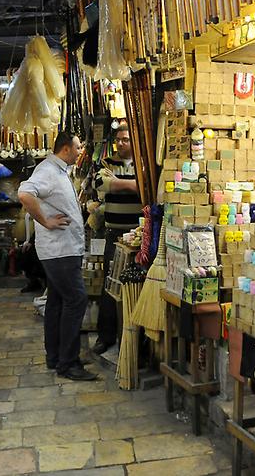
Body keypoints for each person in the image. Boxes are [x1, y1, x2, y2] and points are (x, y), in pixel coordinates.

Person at [17, 132, 96, 381]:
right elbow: (24, 193)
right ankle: (68, 364)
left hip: (63, 249)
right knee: (76, 300)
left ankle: (57, 357)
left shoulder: (59, 170)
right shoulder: (48, 171)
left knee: (57, 302)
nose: (80, 150)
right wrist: (45, 221)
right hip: (59, 251)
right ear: (65, 148)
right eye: (77, 146)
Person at [92, 123, 143, 355]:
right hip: (114, 235)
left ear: (135, 141)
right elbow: (100, 184)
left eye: (126, 139)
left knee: (137, 286)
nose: (121, 143)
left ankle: (134, 339)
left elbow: (147, 189)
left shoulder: (144, 163)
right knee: (110, 284)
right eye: (119, 140)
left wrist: (119, 184)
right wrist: (133, 185)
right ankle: (106, 336)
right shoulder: (107, 163)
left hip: (139, 235)